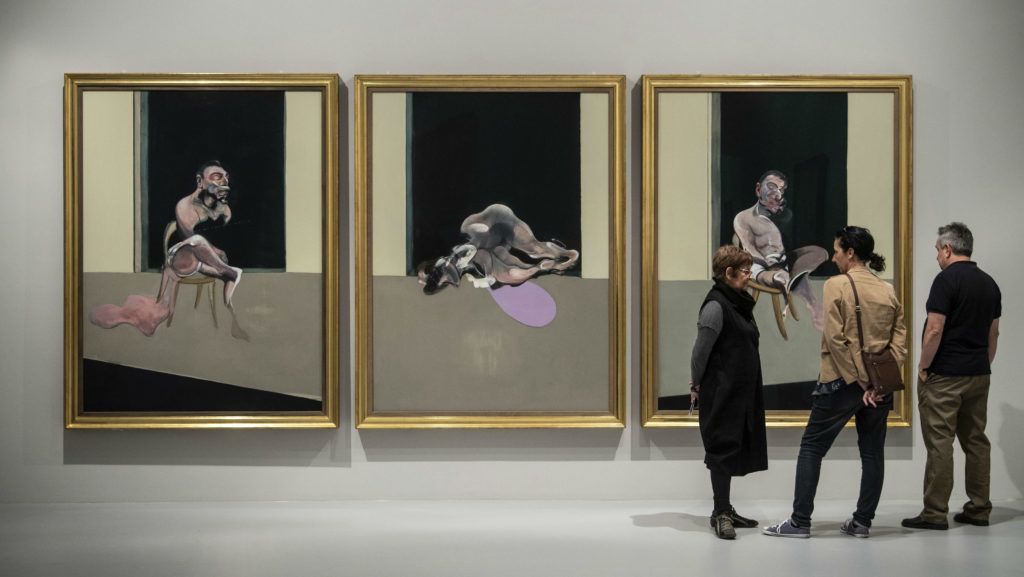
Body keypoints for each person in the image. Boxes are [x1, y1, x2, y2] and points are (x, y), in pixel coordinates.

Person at [763, 226, 907, 538]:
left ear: (851, 253)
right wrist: (878, 384)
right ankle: (862, 523)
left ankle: (799, 522)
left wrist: (861, 382)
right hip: (878, 389)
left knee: (812, 447)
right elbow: (899, 341)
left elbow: (836, 339)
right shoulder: (887, 289)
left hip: (841, 382)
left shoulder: (836, 284)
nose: (834, 257)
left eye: (838, 251)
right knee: (872, 453)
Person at [902, 222, 1001, 530]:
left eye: (937, 250)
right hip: (978, 374)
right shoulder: (989, 283)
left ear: (947, 249)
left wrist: (923, 366)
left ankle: (934, 513)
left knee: (940, 443)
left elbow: (934, 329)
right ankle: (979, 509)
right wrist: (982, 363)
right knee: (976, 441)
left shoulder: (946, 280)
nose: (936, 256)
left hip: (945, 375)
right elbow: (994, 333)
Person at [690, 245, 767, 540]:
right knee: (721, 449)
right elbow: (699, 353)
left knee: (734, 446)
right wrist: (696, 385)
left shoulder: (738, 304)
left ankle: (726, 509)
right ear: (729, 272)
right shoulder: (715, 306)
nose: (749, 276)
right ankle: (720, 512)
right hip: (721, 391)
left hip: (741, 390)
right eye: (745, 271)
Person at [733, 170, 828, 329]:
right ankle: (810, 302)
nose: (776, 193)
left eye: (781, 189)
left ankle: (792, 279)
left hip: (783, 262)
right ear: (758, 189)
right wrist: (771, 265)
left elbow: (784, 246)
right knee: (780, 276)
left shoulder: (783, 215)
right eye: (771, 187)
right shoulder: (743, 218)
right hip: (760, 265)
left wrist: (775, 215)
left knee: (820, 253)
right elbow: (749, 249)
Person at [419, 203, 579, 294]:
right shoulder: (464, 265)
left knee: (534, 251)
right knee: (513, 270)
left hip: (498, 224)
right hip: (493, 245)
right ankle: (545, 267)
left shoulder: (463, 239)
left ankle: (557, 260)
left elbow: (475, 242)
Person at [159, 160, 243, 307]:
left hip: (205, 265)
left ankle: (229, 278)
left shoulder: (225, 211)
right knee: (197, 239)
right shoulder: (184, 205)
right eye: (217, 176)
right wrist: (217, 253)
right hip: (181, 260)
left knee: (205, 249)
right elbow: (189, 239)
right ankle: (232, 274)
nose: (224, 181)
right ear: (200, 181)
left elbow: (226, 246)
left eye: (226, 177)